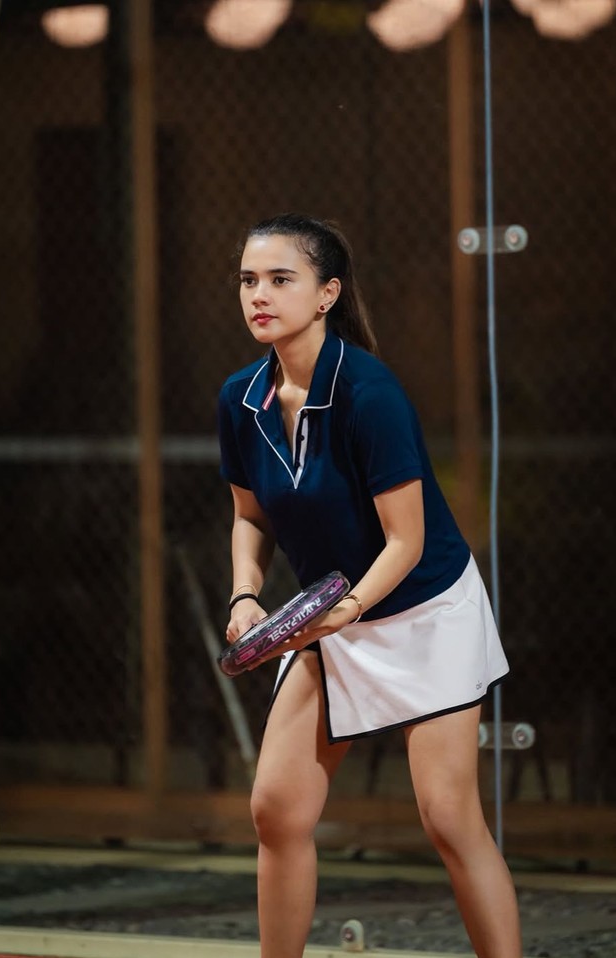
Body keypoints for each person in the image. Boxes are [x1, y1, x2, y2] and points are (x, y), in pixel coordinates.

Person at [218, 212, 522, 958]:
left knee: (448, 817)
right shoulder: (239, 399)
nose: (260, 294)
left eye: (281, 280)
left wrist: (347, 609)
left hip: (424, 609)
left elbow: (407, 540)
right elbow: (248, 517)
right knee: (277, 810)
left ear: (327, 294)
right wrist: (245, 593)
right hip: (329, 613)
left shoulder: (369, 391)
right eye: (249, 280)